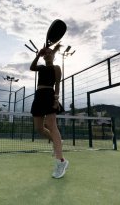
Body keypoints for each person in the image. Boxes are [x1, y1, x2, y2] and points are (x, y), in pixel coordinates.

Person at [30, 43, 69, 179]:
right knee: (39, 129)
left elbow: (57, 84)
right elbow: (32, 67)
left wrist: (56, 99)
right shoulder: (40, 67)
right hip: (38, 96)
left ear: (53, 55)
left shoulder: (56, 68)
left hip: (49, 95)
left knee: (51, 125)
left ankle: (61, 161)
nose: (47, 55)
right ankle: (57, 141)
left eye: (49, 53)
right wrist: (37, 55)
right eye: (45, 53)